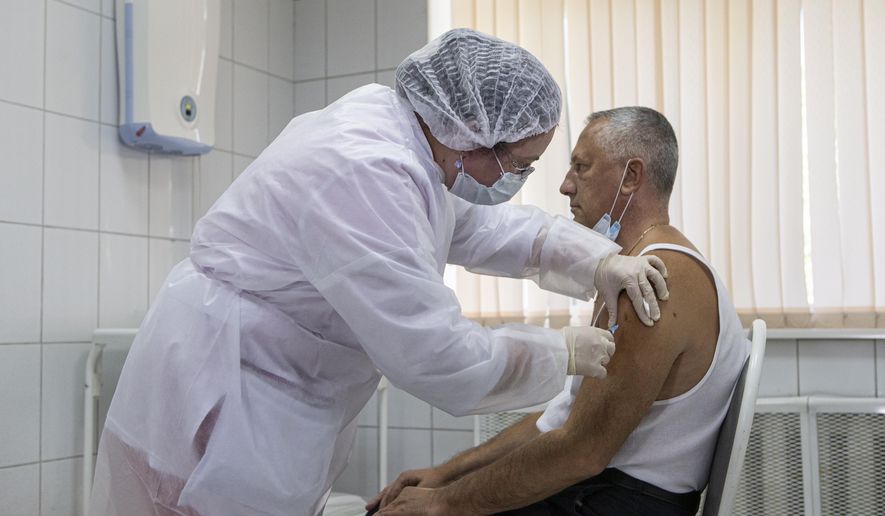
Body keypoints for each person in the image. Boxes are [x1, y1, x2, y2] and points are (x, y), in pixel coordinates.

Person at [89, 31, 669, 516]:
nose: (525, 178)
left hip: (272, 381)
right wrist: (558, 353)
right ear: (472, 133)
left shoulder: (414, 139)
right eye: (518, 163)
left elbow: (479, 230)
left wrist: (599, 260)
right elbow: (435, 353)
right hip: (226, 385)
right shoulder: (362, 169)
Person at [372, 107, 751, 516]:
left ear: (632, 177)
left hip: (615, 501)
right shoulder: (630, 268)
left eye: (581, 167)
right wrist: (443, 475)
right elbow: (562, 420)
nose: (565, 186)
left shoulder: (659, 276)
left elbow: (581, 451)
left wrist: (442, 504)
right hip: (601, 490)